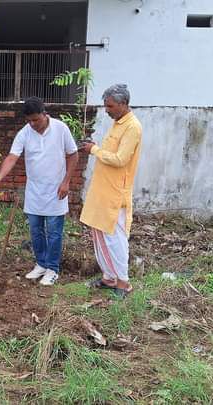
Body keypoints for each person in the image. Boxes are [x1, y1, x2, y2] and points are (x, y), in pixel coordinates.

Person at [0, 97, 79, 286]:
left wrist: (66, 182)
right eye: (29, 120)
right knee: (36, 230)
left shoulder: (60, 128)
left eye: (36, 120)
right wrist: (0, 176)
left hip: (57, 190)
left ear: (44, 114)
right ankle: (41, 263)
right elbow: (12, 157)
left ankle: (53, 269)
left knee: (54, 232)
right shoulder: (25, 133)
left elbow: (73, 154)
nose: (33, 124)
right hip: (34, 191)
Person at [80, 84, 142, 298]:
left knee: (115, 238)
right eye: (106, 106)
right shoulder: (117, 123)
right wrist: (97, 147)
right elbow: (111, 152)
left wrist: (94, 150)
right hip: (101, 190)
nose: (107, 110)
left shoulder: (132, 127)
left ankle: (123, 283)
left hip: (115, 193)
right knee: (98, 234)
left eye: (110, 106)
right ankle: (108, 278)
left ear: (123, 104)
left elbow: (120, 159)